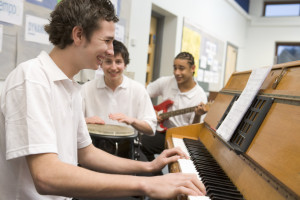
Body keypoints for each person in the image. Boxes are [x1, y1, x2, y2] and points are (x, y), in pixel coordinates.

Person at [0, 0, 206, 199]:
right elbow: (46, 176)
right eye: (106, 41)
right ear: (79, 34)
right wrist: (148, 184)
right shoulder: (32, 78)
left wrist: (148, 167)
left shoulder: (70, 87)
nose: (110, 50)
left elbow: (87, 153)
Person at [81, 39, 157, 158]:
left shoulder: (138, 90)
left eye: (118, 62)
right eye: (108, 62)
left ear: (125, 64)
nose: (113, 67)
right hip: (92, 151)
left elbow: (151, 128)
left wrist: (132, 120)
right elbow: (69, 120)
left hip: (126, 151)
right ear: (100, 63)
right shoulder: (86, 89)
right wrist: (85, 120)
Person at [141, 52, 209, 163]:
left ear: (192, 68)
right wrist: (152, 111)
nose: (177, 73)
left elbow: (194, 131)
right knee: (142, 142)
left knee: (180, 163)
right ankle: (154, 172)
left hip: (182, 137)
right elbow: (143, 94)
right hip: (163, 132)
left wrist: (197, 115)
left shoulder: (199, 96)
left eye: (181, 68)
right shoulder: (167, 81)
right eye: (175, 68)